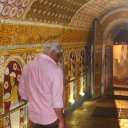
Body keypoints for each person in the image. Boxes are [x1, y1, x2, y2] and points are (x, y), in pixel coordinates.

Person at [18, 40, 65, 128]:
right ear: (53, 52)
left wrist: (33, 101)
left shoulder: (27, 66)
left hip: (33, 117)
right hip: (50, 119)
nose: (59, 58)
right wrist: (61, 120)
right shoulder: (56, 70)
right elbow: (57, 101)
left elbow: (21, 90)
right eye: (59, 54)